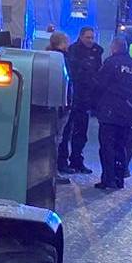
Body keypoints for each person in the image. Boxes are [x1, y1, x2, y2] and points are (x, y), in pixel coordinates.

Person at [93, 36, 132, 190]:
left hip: (110, 112)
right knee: (121, 146)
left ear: (114, 47)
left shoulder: (111, 63)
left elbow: (100, 84)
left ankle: (108, 179)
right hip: (128, 114)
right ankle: (119, 178)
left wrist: (96, 105)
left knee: (107, 147)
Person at [59, 27, 102, 174]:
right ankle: (63, 161)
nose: (90, 40)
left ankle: (77, 160)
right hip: (73, 97)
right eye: (88, 37)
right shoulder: (73, 51)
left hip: (85, 99)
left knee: (81, 133)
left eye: (92, 38)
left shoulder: (96, 52)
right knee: (66, 132)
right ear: (81, 37)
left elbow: (97, 74)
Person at [47, 31, 73, 181]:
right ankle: (53, 171)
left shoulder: (49, 57)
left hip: (53, 104)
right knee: (57, 139)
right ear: (62, 43)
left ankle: (51, 170)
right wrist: (67, 103)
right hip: (61, 105)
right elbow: (66, 83)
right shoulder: (62, 59)